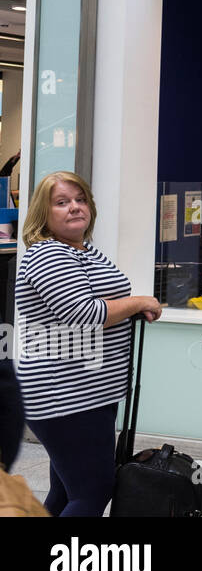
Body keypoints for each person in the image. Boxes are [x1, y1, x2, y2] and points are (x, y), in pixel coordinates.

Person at [15, 171, 161, 516]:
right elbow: (85, 312)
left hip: (89, 390)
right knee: (92, 491)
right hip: (64, 393)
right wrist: (139, 302)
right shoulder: (48, 255)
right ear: (43, 213)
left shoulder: (81, 250)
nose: (75, 208)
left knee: (69, 491)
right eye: (62, 203)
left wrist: (127, 309)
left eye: (80, 200)